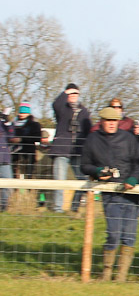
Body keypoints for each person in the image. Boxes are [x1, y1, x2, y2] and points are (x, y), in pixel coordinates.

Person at [80, 106, 139, 282]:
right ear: (101, 121)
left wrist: (133, 178)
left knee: (129, 236)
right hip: (110, 193)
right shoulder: (92, 140)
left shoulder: (129, 138)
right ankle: (107, 273)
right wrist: (97, 170)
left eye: (114, 121)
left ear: (119, 121)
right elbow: (84, 165)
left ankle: (121, 276)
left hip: (131, 193)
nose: (111, 124)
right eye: (108, 121)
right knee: (113, 234)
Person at [50, 83, 91, 213]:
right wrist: (65, 93)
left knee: (83, 179)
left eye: (75, 93)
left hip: (78, 151)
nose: (73, 96)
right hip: (61, 149)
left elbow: (88, 129)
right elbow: (55, 104)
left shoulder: (84, 111)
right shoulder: (62, 109)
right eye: (70, 93)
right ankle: (58, 209)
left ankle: (74, 207)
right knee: (59, 181)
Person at [10, 104, 42, 178]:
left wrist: (21, 139)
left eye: (24, 113)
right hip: (14, 154)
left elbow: (37, 138)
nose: (22, 114)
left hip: (28, 154)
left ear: (28, 113)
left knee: (29, 174)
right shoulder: (13, 124)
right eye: (21, 112)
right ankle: (16, 189)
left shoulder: (34, 125)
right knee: (15, 174)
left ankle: (29, 189)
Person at [0, 111, 11, 211]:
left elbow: (11, 136)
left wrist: (7, 122)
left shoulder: (3, 124)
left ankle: (4, 208)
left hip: (4, 159)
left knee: (7, 184)